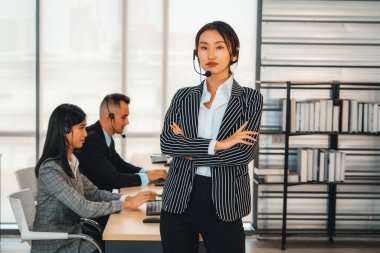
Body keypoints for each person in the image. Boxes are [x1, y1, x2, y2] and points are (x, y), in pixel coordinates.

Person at [159, 21, 263, 253]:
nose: (211, 54)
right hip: (179, 199)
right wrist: (220, 144)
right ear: (196, 54)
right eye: (203, 47)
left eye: (219, 47)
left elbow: (241, 154)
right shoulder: (183, 96)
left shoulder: (250, 99)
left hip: (225, 202)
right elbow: (167, 143)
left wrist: (186, 150)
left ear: (233, 53)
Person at [32, 104, 157, 253]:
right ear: (65, 130)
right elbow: (83, 207)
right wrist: (127, 205)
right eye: (81, 128)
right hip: (58, 245)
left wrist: (127, 198)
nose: (85, 134)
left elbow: (95, 193)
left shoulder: (71, 162)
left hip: (74, 237)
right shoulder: (50, 170)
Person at [77, 93, 167, 193]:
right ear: (109, 117)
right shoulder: (92, 140)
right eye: (123, 117)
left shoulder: (104, 136)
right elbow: (114, 179)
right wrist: (147, 178)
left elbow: (119, 164)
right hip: (97, 204)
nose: (127, 122)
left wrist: (145, 172)